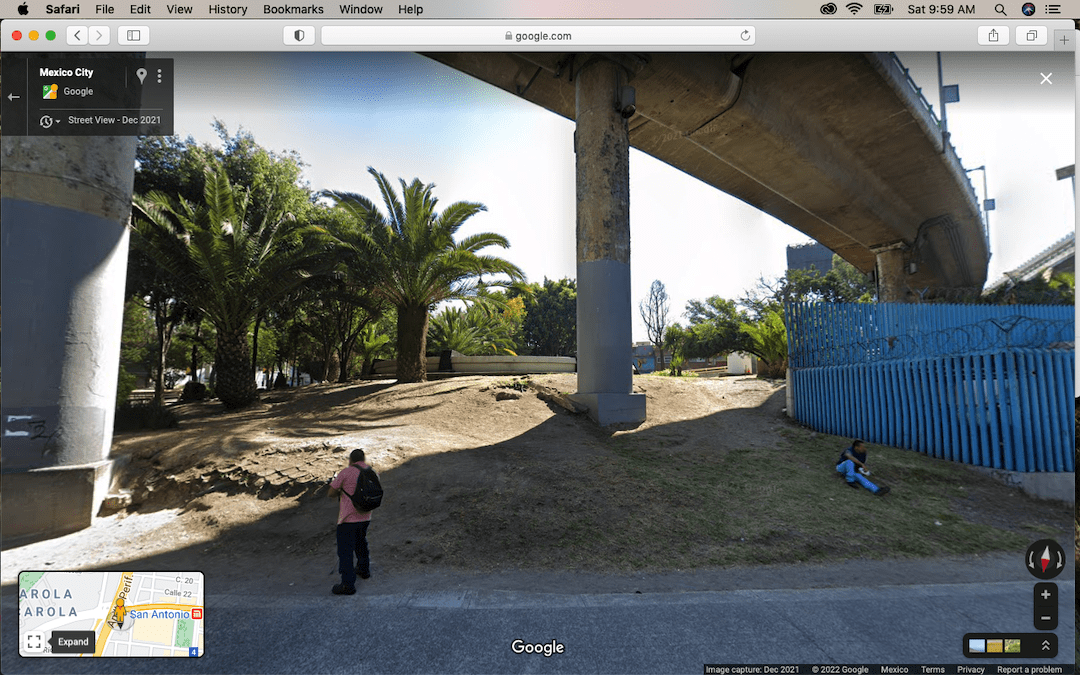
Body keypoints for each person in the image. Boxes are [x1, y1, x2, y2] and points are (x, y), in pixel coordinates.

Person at [327, 448, 376, 595]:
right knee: (361, 542)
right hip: (366, 516)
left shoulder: (345, 472)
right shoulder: (371, 472)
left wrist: (338, 485)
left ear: (350, 460)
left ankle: (348, 584)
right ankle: (364, 569)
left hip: (348, 518)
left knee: (345, 551)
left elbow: (330, 493)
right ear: (363, 459)